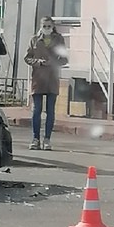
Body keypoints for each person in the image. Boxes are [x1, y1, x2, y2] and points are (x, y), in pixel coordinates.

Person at [24, 16, 68, 151]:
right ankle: (35, 138)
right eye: (44, 26)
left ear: (53, 26)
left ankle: (47, 139)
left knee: (50, 111)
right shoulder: (34, 40)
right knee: (36, 110)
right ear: (40, 26)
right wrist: (37, 62)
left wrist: (53, 63)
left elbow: (64, 59)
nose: (47, 29)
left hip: (52, 78)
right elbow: (27, 57)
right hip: (38, 78)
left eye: (49, 26)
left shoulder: (59, 39)